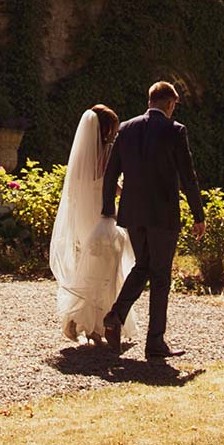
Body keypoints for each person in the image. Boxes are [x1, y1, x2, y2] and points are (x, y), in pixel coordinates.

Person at [100, 80, 206, 359]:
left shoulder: (126, 129)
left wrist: (108, 206)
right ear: (170, 104)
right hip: (163, 213)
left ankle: (115, 316)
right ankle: (155, 342)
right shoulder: (175, 131)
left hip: (133, 212)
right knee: (160, 275)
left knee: (143, 265)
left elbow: (112, 173)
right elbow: (188, 176)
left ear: (150, 101)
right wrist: (199, 215)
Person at [50, 103, 134, 344]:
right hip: (103, 216)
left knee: (90, 266)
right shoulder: (108, 152)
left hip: (86, 215)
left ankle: (80, 320)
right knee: (106, 269)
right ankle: (93, 326)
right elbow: (111, 186)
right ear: (107, 129)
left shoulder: (82, 155)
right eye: (114, 129)